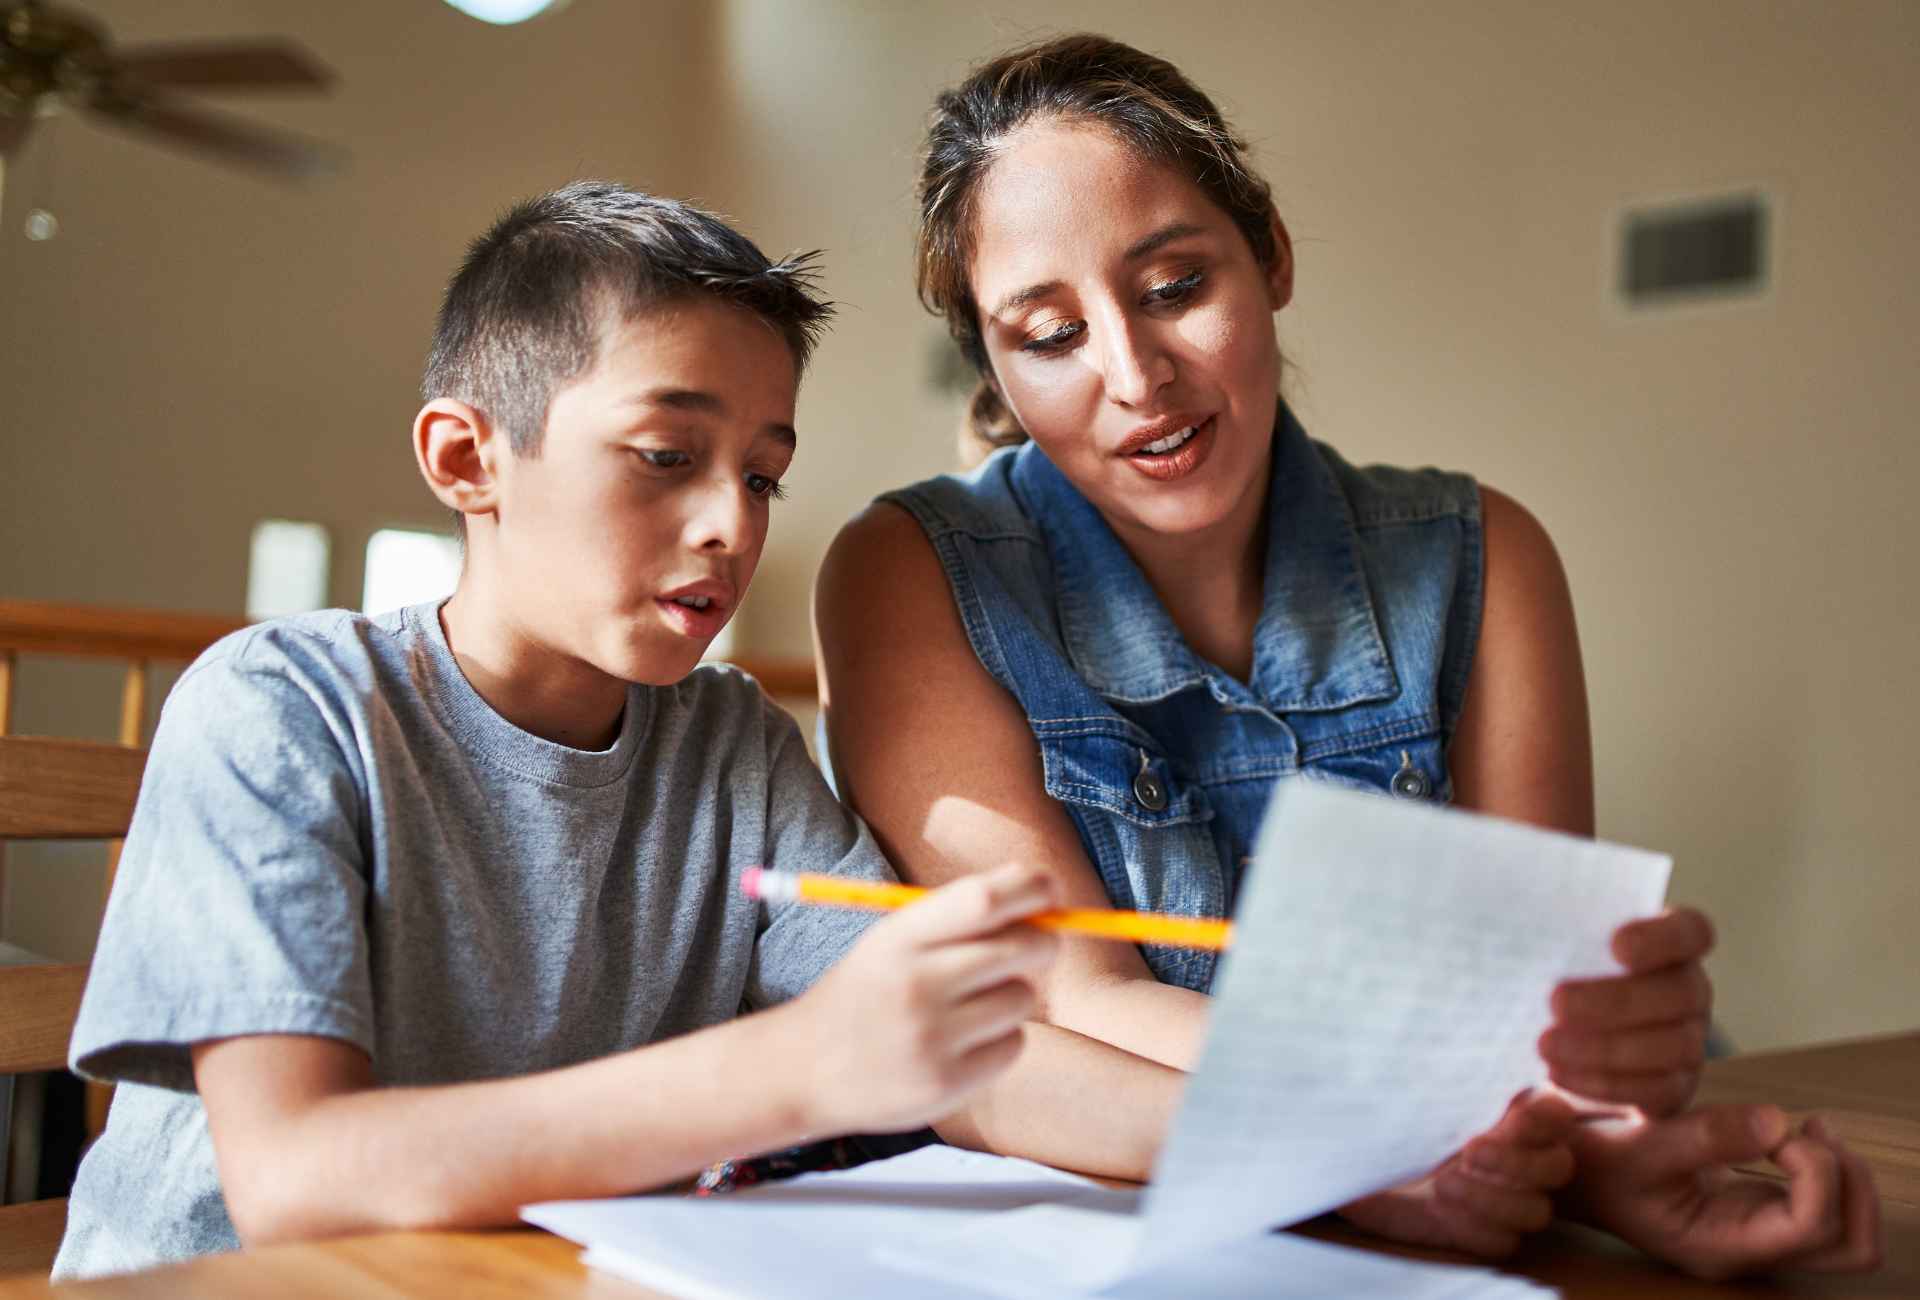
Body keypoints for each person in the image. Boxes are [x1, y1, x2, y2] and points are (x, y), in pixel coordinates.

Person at [814, 35, 1880, 1277]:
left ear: (1270, 255)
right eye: (1049, 333)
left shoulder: (1484, 556)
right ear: (994, 359)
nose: (1135, 373)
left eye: (1171, 287)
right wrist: (1387, 1143)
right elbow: (1066, 1001)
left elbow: (1535, 1023)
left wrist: (1612, 1151)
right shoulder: (911, 573)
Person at [52, 182, 1059, 1280]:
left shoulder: (732, 746)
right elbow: (297, 1177)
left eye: (763, 474)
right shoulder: (279, 705)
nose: (734, 523)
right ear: (466, 458)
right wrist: (795, 1067)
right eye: (668, 454)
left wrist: (1258, 1135)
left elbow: (979, 1068)